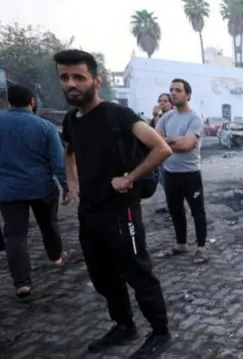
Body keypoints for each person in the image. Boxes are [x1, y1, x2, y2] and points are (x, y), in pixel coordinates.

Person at [54, 49, 173, 358]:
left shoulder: (117, 115)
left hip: (122, 211)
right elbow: (70, 153)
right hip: (89, 213)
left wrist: (129, 177)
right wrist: (73, 183)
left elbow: (161, 149)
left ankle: (160, 332)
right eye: (65, 78)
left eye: (78, 77)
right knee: (103, 277)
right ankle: (124, 325)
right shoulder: (71, 119)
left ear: (96, 80)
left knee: (138, 273)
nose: (71, 84)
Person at [0, 84, 71, 298]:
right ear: (32, 101)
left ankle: (22, 283)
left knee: (14, 235)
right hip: (42, 188)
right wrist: (66, 186)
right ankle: (56, 256)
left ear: (9, 101)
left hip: (7, 191)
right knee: (49, 224)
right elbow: (57, 161)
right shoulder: (44, 126)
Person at [155, 79, 208, 264]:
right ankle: (181, 244)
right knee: (175, 210)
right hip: (170, 173)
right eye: (171, 90)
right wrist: (174, 141)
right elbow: (155, 140)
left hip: (190, 174)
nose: (173, 93)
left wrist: (166, 142)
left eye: (178, 90)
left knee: (197, 211)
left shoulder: (195, 118)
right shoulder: (167, 117)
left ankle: (201, 247)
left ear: (188, 94)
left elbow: (187, 145)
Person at [153, 93, 173, 215]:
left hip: (172, 155)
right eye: (160, 101)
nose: (162, 103)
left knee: (170, 183)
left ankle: (175, 208)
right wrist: (156, 116)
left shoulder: (173, 117)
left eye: (165, 101)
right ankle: (170, 205)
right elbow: (154, 135)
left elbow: (159, 136)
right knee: (164, 182)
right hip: (161, 156)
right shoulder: (160, 117)